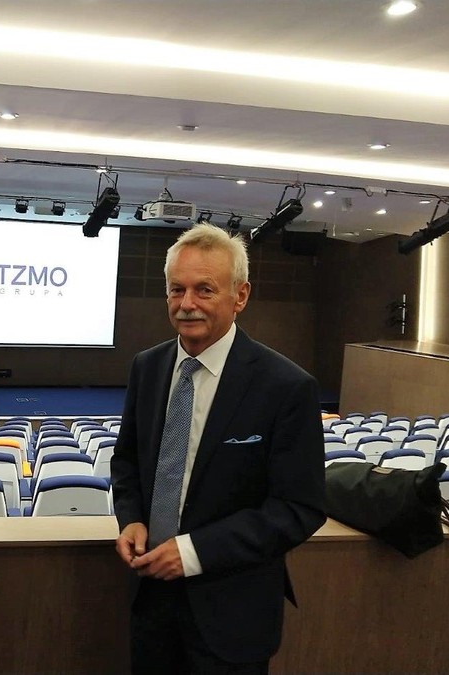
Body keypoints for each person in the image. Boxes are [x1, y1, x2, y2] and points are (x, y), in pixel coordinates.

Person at [111, 222, 325, 674]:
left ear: (240, 296)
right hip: (150, 605)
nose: (186, 303)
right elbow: (126, 461)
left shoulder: (286, 387)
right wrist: (130, 518)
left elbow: (298, 509)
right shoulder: (147, 367)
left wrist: (192, 552)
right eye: (176, 289)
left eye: (204, 290)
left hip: (232, 616)